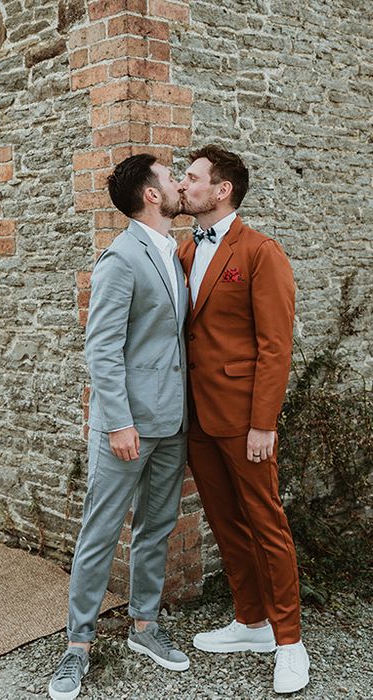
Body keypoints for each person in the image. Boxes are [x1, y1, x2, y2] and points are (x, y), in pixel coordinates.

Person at [48, 154, 189, 700]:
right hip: (125, 429)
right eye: (170, 177)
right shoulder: (121, 258)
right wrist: (119, 423)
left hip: (174, 421)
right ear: (151, 195)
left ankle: (145, 627)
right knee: (101, 531)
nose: (179, 184)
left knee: (157, 525)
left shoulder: (174, 254)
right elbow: (101, 348)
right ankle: (76, 646)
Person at [177, 144, 310, 694]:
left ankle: (290, 642)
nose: (183, 186)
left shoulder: (260, 251)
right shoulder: (185, 251)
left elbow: (275, 346)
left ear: (221, 188)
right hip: (197, 417)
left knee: (266, 523)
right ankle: (250, 621)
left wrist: (264, 423)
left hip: (243, 418)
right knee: (225, 522)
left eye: (192, 178)